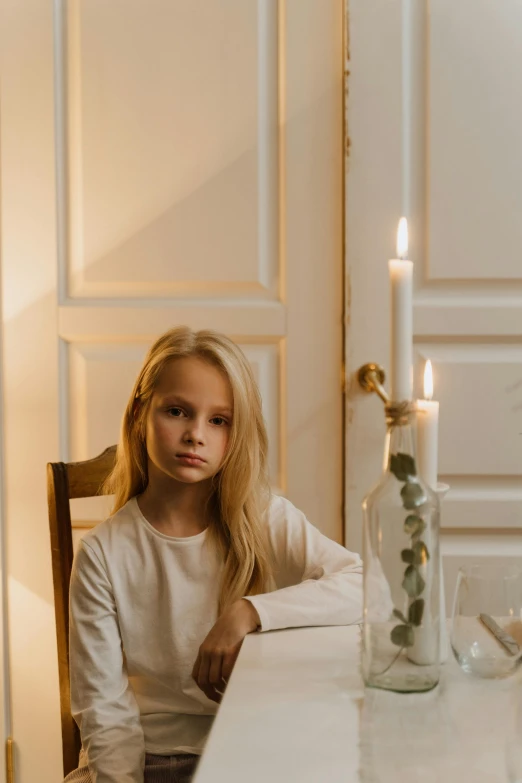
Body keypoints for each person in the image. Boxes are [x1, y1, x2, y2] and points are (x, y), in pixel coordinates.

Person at [64, 326, 363, 783]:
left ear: (236, 432)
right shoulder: (103, 553)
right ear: (142, 413)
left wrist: (249, 611)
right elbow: (106, 714)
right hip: (151, 759)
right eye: (178, 411)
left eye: (218, 420)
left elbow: (364, 586)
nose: (195, 435)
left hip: (257, 751)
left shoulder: (263, 517)